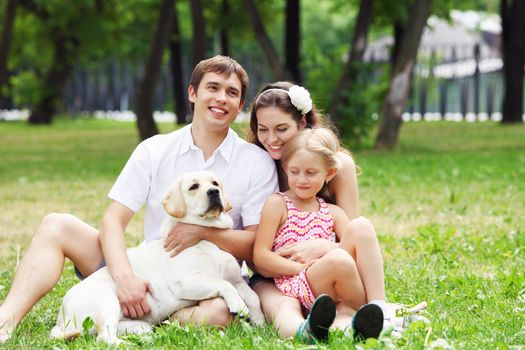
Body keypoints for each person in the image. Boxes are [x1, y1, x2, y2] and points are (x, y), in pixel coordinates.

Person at [0, 55, 278, 342]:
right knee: (56, 224)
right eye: (213, 88)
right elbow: (113, 221)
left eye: (231, 93)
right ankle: (5, 321)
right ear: (193, 93)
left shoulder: (255, 162)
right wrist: (125, 278)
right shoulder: (154, 149)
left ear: (240, 105)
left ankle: (152, 318)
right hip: (145, 269)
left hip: (205, 281)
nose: (221, 98)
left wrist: (202, 233)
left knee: (220, 313)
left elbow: (256, 244)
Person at [247, 82, 388, 341]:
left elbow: (352, 242)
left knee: (344, 302)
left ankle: (375, 313)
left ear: (301, 123)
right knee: (284, 308)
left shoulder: (334, 185)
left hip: (331, 271)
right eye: (262, 129)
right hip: (282, 276)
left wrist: (324, 249)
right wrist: (294, 267)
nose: (271, 139)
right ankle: (307, 330)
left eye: (281, 128)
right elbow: (260, 254)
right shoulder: (259, 168)